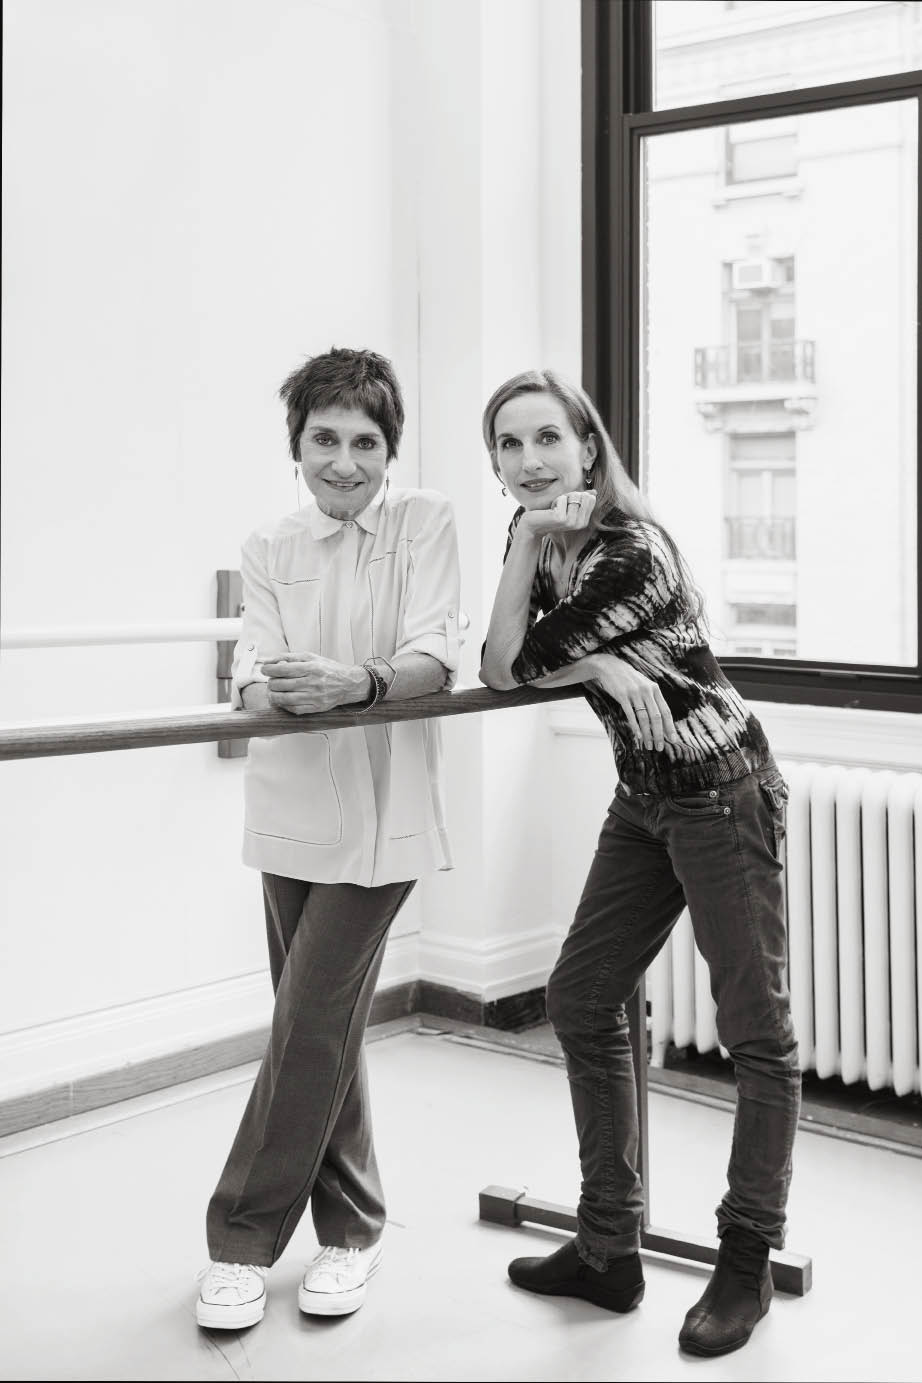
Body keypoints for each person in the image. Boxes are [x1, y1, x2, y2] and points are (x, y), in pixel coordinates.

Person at [479, 369, 800, 1358]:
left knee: (757, 1037)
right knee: (580, 995)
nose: (530, 461)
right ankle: (608, 1248)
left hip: (721, 790)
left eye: (547, 439)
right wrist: (597, 660)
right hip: (645, 797)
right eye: (508, 445)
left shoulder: (630, 550)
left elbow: (518, 660)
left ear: (588, 444)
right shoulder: (535, 538)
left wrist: (575, 654)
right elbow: (494, 660)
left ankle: (744, 1264)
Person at [196, 347, 461, 1330]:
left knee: (306, 1023)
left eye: (364, 442)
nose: (344, 462)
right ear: (296, 444)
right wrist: (278, 689)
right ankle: (351, 1233)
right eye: (324, 440)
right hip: (290, 813)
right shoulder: (270, 544)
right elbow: (254, 674)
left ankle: (238, 1241)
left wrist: (360, 683)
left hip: (385, 817)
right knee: (324, 1032)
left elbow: (437, 651)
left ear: (389, 449)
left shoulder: (424, 521)